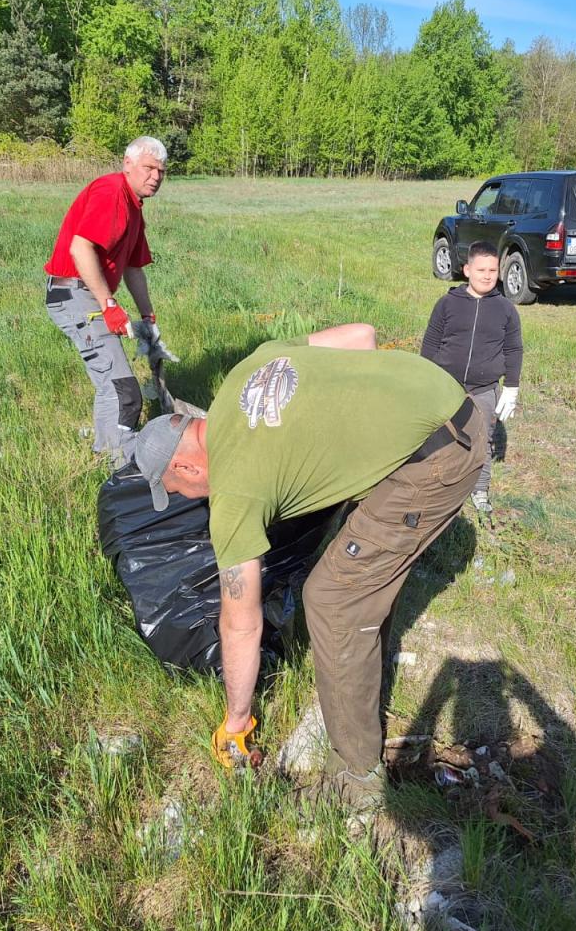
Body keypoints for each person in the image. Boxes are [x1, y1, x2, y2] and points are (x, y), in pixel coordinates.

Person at [133, 323, 487, 807]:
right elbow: (363, 336)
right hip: (441, 397)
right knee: (354, 574)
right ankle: (361, 677)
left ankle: (356, 780)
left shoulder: (235, 492)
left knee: (332, 600)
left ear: (187, 467)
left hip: (440, 456)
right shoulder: (244, 373)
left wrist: (236, 720)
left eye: (177, 490)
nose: (187, 499)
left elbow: (241, 624)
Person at [44, 136, 168, 463]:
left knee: (113, 384)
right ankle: (121, 466)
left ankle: (105, 453)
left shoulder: (134, 207)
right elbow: (80, 248)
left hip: (85, 293)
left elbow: (133, 268)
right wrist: (108, 304)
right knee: (123, 391)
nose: (155, 176)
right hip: (73, 292)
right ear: (128, 164)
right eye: (149, 168)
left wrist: (149, 318)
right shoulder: (112, 192)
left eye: (161, 171)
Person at [420, 240, 523, 521]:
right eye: (481, 270)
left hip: (484, 389)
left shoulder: (506, 309)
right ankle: (433, 481)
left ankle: (479, 489)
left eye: (493, 270)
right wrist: (425, 377)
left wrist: (511, 387)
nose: (487, 276)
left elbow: (514, 349)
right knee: (438, 432)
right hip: (445, 384)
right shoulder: (447, 303)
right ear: (467, 270)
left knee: (481, 439)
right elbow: (431, 342)